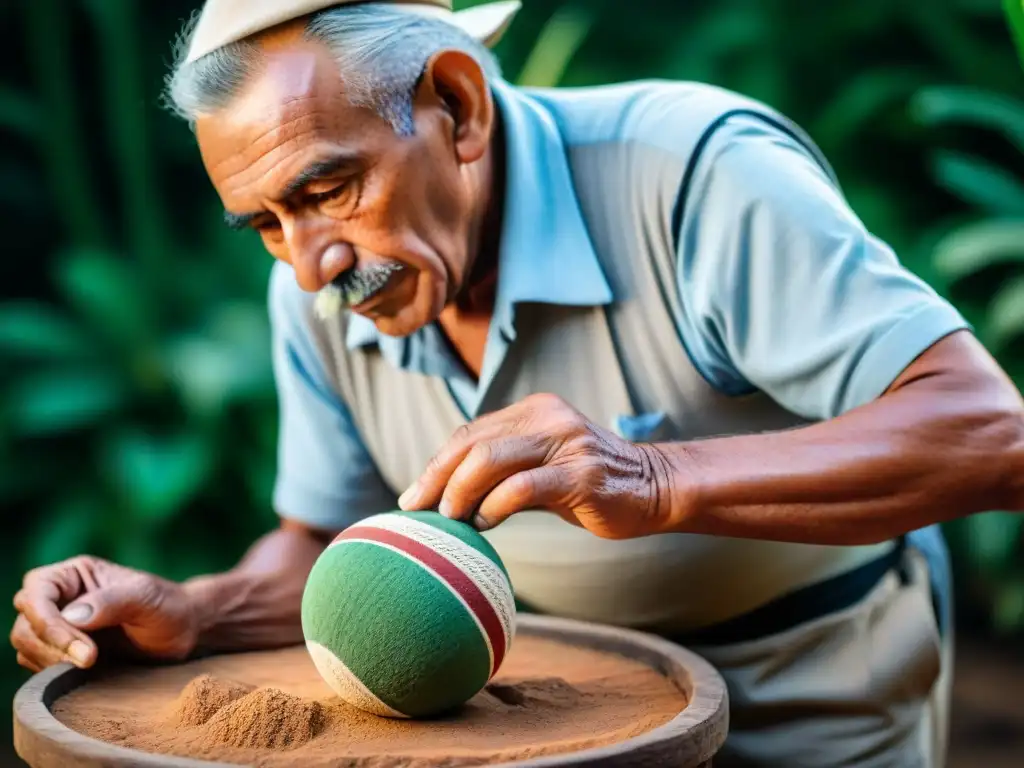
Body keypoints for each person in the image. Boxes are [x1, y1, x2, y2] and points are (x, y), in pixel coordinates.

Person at [11, 1, 1024, 765]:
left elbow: (990, 435)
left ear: (456, 106)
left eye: (327, 190)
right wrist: (200, 610)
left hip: (813, 711)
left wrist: (652, 478)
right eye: (267, 224)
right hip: (540, 732)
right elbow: (333, 547)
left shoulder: (691, 177)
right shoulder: (316, 289)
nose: (308, 262)